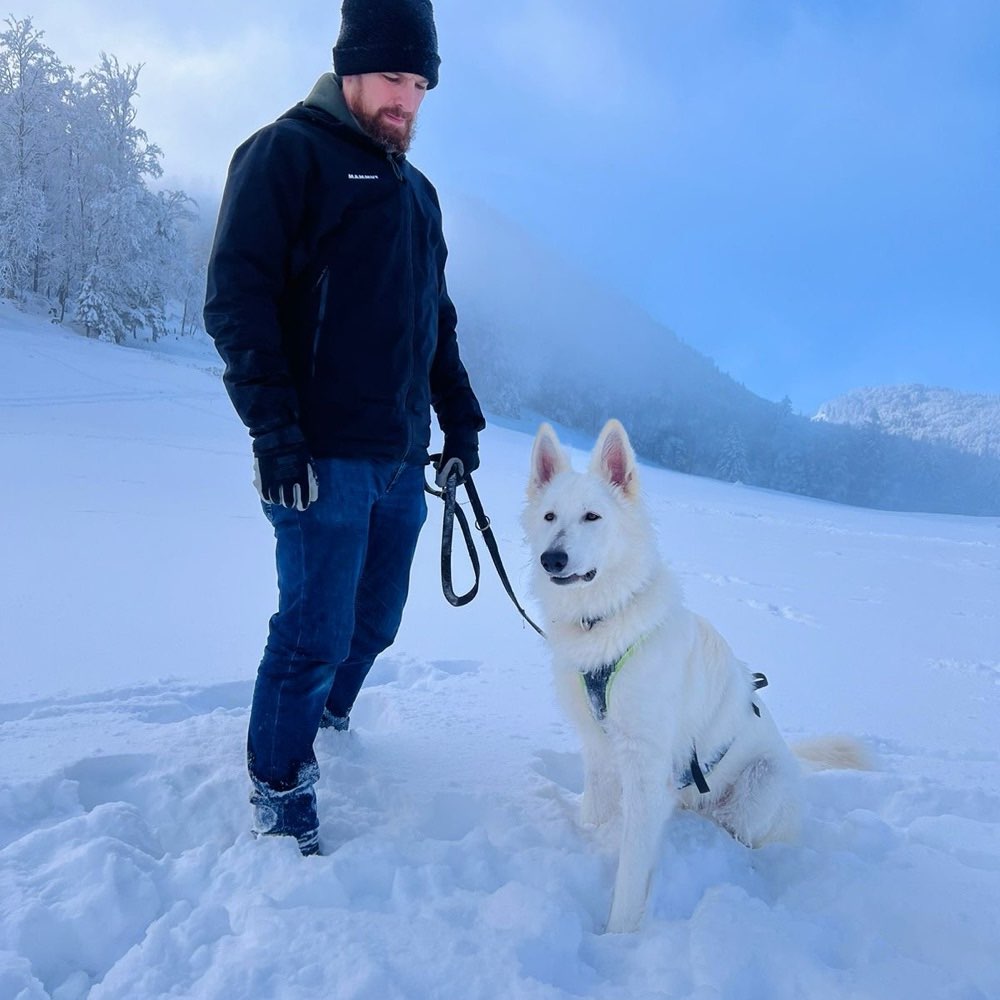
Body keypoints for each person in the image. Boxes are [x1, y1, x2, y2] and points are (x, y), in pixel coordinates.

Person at [203, 0, 485, 856]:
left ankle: (325, 710)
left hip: (401, 458)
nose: (410, 99)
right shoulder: (286, 154)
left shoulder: (417, 193)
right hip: (318, 454)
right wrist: (274, 432)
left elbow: (433, 319)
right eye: (396, 79)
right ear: (351, 70)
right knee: (314, 626)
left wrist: (460, 422)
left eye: (422, 84)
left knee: (376, 623)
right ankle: (279, 782)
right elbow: (236, 299)